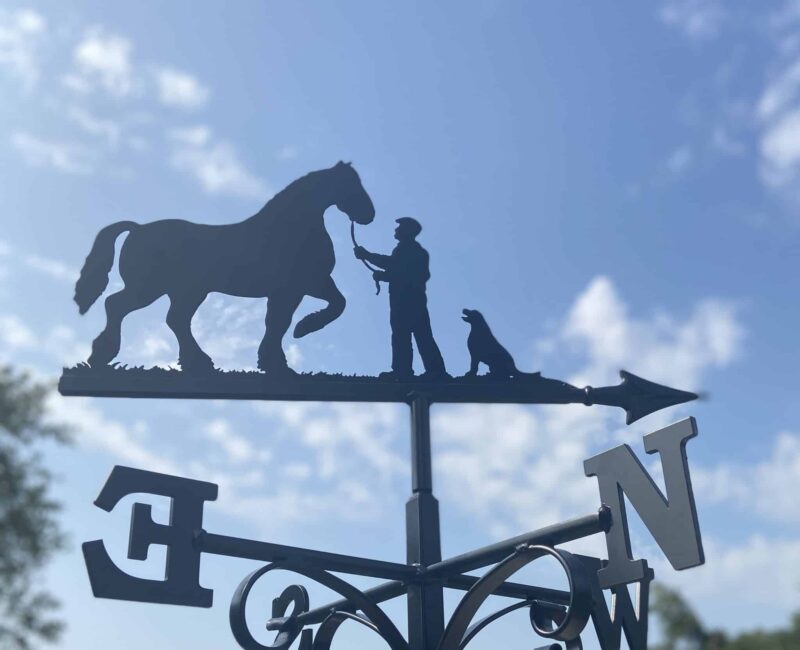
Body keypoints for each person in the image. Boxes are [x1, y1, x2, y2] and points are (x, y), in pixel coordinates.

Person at [354, 217, 448, 380]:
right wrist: (383, 274)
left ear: (407, 231)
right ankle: (419, 371)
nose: (396, 230)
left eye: (400, 228)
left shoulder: (410, 251)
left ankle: (413, 371)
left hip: (407, 301)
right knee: (412, 335)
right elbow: (399, 271)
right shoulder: (410, 251)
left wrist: (367, 256)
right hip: (408, 300)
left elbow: (396, 267)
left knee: (407, 335)